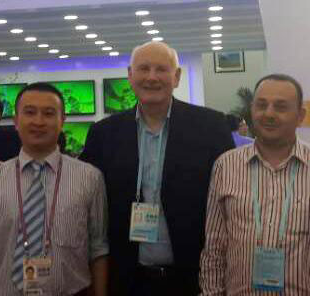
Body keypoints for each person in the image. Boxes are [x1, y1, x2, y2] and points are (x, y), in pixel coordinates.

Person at [79, 41, 233, 295]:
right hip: (127, 280)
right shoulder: (104, 134)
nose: (152, 77)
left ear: (177, 76)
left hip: (194, 278)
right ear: (130, 75)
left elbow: (230, 195)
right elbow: (84, 196)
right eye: (144, 68)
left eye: (161, 69)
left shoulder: (211, 127)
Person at [200, 74, 310, 295]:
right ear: (251, 110)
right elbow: (214, 248)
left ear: (300, 116)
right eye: (261, 105)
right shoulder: (225, 166)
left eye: (280, 107)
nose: (268, 113)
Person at [0, 83, 109, 296]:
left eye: (49, 113)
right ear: (16, 121)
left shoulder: (90, 178)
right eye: (30, 112)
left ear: (62, 121)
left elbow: (98, 250)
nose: (38, 121)